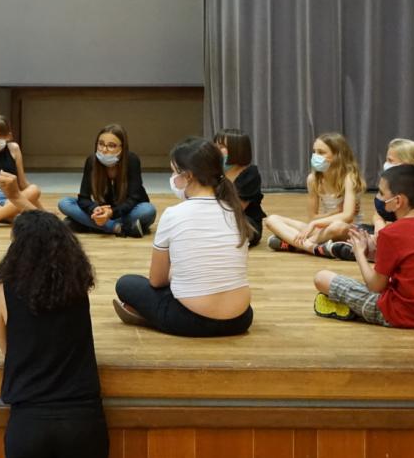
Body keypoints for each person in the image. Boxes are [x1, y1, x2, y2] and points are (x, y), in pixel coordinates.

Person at [0, 210, 107, 458]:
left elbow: (9, 350)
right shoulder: (78, 286)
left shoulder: (0, 290)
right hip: (83, 420)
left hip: (28, 421)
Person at [112, 137, 254, 337]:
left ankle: (148, 315)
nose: (173, 179)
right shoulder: (234, 211)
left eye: (175, 173)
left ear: (188, 176)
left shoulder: (173, 214)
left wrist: (176, 276)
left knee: (126, 284)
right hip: (240, 318)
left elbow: (157, 280)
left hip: (191, 320)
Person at [312, 165, 414, 328]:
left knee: (322, 278)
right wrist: (371, 252)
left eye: (381, 193)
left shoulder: (392, 233)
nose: (378, 198)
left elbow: (375, 286)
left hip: (401, 315)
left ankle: (353, 309)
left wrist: (359, 253)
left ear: (398, 201)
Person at [263, 132, 363, 257]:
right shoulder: (313, 179)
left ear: (338, 155)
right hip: (322, 229)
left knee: (337, 226)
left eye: (321, 152)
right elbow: (312, 218)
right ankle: (314, 247)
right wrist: (334, 212)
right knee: (271, 219)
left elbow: (348, 216)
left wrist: (315, 224)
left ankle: (296, 244)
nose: (316, 156)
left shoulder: (349, 177)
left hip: (345, 229)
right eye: (314, 152)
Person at [57, 123, 155, 237]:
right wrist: (95, 209)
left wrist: (111, 213)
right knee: (65, 203)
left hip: (125, 211)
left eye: (111, 145)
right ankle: (118, 228)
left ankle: (87, 224)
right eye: (101, 144)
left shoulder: (132, 160)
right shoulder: (91, 161)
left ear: (122, 148)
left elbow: (135, 199)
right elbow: (83, 198)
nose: (104, 150)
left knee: (148, 210)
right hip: (102, 211)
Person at [213, 128, 265, 246]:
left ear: (237, 149)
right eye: (215, 146)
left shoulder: (250, 173)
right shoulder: (214, 171)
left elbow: (236, 208)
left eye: (221, 147)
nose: (216, 150)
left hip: (243, 221)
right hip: (217, 217)